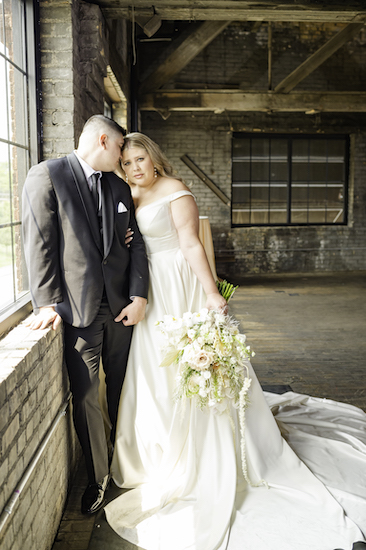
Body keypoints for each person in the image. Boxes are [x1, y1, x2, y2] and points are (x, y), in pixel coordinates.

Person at [104, 132, 366, 550]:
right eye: (128, 162)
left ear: (154, 158)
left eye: (140, 159)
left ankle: (210, 449)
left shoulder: (176, 191)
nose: (135, 168)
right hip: (148, 287)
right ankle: (155, 452)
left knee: (191, 363)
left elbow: (191, 244)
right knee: (154, 367)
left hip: (178, 283)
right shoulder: (126, 193)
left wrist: (210, 293)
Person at [22, 116, 149, 515]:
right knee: (87, 397)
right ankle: (98, 478)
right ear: (102, 140)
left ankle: (127, 459)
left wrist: (138, 294)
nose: (125, 159)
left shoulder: (118, 186)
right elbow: (39, 242)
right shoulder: (48, 175)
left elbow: (137, 244)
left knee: (124, 388)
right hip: (76, 312)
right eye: (120, 150)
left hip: (122, 309)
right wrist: (45, 303)